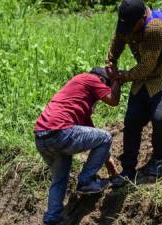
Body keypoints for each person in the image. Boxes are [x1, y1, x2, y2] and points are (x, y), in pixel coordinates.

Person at [106, 0, 162, 187]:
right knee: (132, 120)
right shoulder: (127, 23)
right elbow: (118, 41)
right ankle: (127, 168)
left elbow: (147, 66)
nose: (126, 30)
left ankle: (159, 159)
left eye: (131, 26)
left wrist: (121, 77)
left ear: (142, 18)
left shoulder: (154, 29)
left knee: (160, 118)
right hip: (144, 78)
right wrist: (111, 62)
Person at [34, 67, 120, 225]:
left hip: (42, 137)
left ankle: (53, 217)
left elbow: (95, 138)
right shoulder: (91, 79)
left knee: (60, 177)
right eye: (102, 91)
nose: (99, 100)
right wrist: (117, 80)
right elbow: (113, 101)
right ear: (101, 81)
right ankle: (86, 181)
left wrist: (112, 170)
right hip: (59, 131)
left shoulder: (78, 98)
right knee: (106, 136)